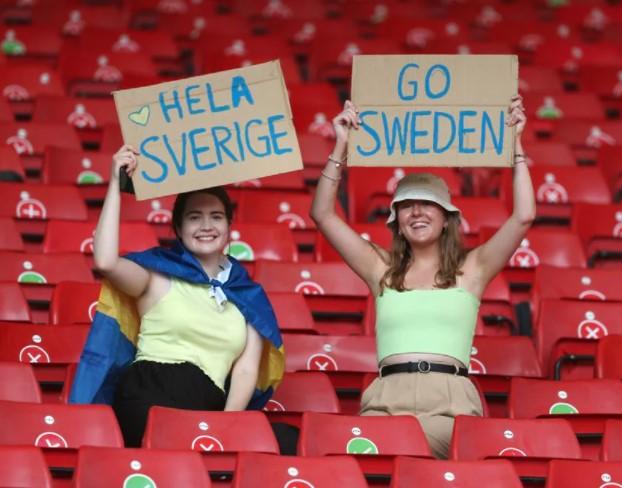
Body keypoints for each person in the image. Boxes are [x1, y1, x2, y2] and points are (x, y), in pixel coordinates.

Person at [310, 97, 535, 458]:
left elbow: (523, 216)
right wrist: (340, 144)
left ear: (447, 217)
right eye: (406, 206)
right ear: (396, 221)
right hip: (386, 398)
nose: (416, 212)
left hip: (448, 403)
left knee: (417, 463)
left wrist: (517, 145)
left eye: (427, 203)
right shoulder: (380, 269)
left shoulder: (472, 270)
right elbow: (322, 214)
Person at [69, 145, 285, 448]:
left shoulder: (247, 295)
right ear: (179, 229)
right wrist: (115, 186)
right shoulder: (157, 276)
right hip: (150, 393)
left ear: (229, 228)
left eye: (216, 217)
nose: (207, 226)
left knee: (285, 441)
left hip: (208, 403)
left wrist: (227, 427)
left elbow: (246, 369)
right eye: (195, 217)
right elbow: (105, 262)